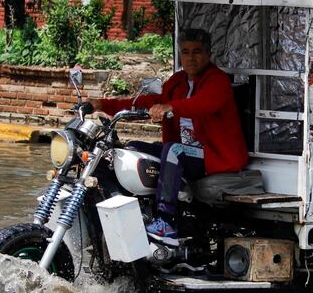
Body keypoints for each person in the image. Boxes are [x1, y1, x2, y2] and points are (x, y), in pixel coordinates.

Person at [92, 28, 248, 240]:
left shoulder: (217, 81)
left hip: (214, 156)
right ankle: (128, 209)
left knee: (174, 150)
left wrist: (169, 107)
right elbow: (147, 102)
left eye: (197, 52)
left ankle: (166, 221)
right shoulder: (177, 82)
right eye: (185, 52)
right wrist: (102, 104)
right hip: (185, 153)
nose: (191, 57)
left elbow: (201, 105)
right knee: (129, 149)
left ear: (208, 54)